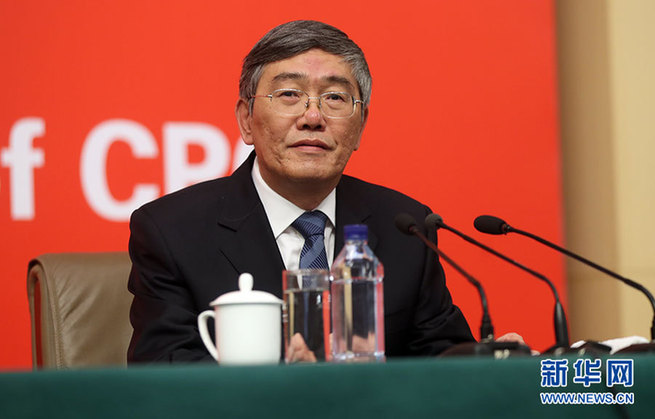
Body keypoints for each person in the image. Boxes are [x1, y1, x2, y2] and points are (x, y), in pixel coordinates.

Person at [127, 20, 476, 363]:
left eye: (335, 97)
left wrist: (491, 360)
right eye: (289, 95)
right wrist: (285, 382)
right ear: (246, 120)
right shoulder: (173, 231)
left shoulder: (407, 228)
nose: (312, 117)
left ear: (360, 126)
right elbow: (162, 370)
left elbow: (445, 360)